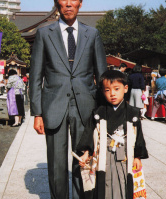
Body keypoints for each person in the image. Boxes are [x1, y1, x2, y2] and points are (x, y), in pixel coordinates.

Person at [29, 0, 107, 198]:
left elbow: (102, 75)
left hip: (85, 106)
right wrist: (37, 113)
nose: (69, 4)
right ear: (57, 4)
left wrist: (103, 111)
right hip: (54, 105)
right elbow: (36, 75)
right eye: (64, 0)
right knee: (56, 162)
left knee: (83, 159)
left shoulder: (92, 34)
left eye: (74, 0)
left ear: (80, 3)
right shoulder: (44, 34)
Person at [77, 70, 148, 199]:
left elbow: (138, 136)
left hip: (125, 157)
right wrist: (86, 152)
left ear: (125, 89)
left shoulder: (133, 113)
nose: (112, 94)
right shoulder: (98, 113)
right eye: (107, 90)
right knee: (104, 185)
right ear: (103, 92)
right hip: (104, 156)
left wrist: (138, 156)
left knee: (124, 182)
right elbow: (89, 133)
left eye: (116, 89)